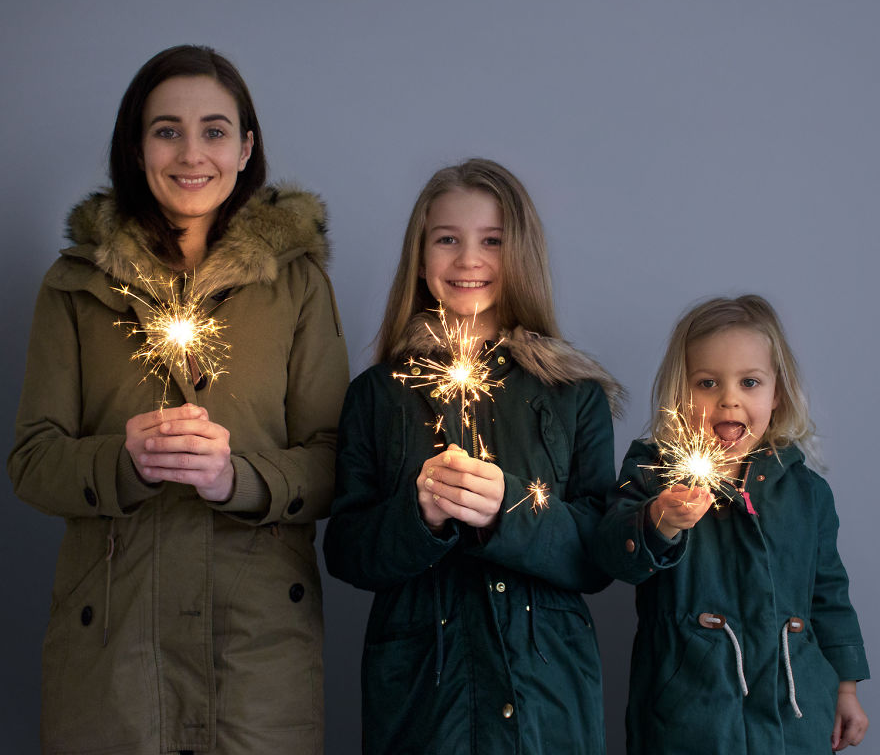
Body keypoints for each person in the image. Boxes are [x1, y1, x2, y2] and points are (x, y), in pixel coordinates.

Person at [8, 45, 349, 754]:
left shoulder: (298, 287)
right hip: (115, 653)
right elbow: (32, 461)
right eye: (166, 130)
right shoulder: (73, 286)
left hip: (256, 657)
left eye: (215, 131)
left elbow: (335, 461)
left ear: (246, 146)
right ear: (135, 148)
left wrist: (239, 479)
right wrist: (123, 462)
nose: (192, 153)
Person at [323, 158, 623, 754]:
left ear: (523, 255)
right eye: (447, 240)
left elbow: (597, 555)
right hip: (426, 699)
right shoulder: (379, 395)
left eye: (492, 241)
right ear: (421, 254)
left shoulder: (573, 395)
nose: (468, 260)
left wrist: (508, 510)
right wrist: (421, 517)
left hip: (546, 696)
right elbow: (346, 550)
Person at [598, 294, 869, 754]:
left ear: (776, 392)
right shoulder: (654, 474)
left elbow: (829, 595)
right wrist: (657, 522)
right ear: (680, 393)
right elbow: (610, 554)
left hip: (794, 715)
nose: (729, 399)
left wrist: (845, 689)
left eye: (749, 382)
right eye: (707, 383)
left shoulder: (806, 492)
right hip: (689, 713)